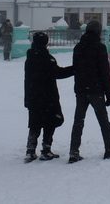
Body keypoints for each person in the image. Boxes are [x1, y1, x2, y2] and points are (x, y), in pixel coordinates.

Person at [68, 20, 110, 162]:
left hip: (81, 91)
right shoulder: (99, 47)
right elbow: (104, 71)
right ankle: (109, 148)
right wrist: (109, 93)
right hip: (96, 90)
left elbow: (76, 69)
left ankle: (73, 151)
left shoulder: (78, 47)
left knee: (78, 121)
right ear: (98, 31)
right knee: (103, 120)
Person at [23, 32, 74, 162]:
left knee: (34, 123)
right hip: (48, 97)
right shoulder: (47, 59)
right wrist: (75, 69)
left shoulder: (30, 58)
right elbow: (58, 73)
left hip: (33, 96)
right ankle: (46, 150)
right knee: (49, 122)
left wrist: (27, 99)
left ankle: (30, 150)